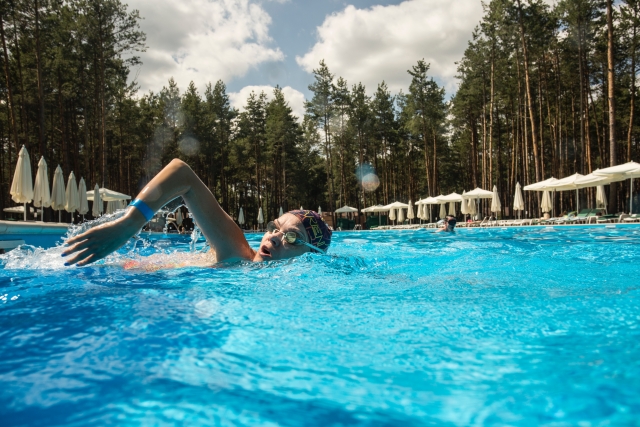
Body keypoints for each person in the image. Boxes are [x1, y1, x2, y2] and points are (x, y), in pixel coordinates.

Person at [62, 159, 332, 266]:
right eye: (274, 227)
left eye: (292, 238)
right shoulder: (237, 250)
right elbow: (182, 172)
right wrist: (129, 224)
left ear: (311, 256)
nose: (273, 237)